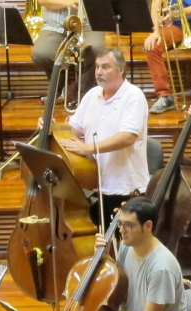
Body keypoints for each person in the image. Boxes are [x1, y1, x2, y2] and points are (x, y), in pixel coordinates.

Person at [62, 48, 150, 227]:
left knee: (122, 249)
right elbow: (72, 130)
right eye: (97, 67)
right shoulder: (91, 95)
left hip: (126, 190)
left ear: (121, 69)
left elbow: (127, 137)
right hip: (96, 187)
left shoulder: (133, 96)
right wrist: (51, 127)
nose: (99, 72)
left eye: (106, 67)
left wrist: (88, 147)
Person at [31, 0, 105, 107]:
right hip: (55, 26)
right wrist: (67, 2)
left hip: (88, 24)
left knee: (97, 50)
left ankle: (83, 92)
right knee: (40, 53)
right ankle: (60, 85)